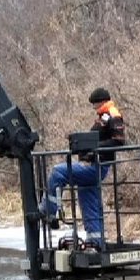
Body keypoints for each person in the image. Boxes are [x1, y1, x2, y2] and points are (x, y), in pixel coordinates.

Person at [41, 87, 126, 247]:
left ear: (100, 101)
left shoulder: (113, 115)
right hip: (93, 164)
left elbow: (118, 141)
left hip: (97, 166)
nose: (93, 107)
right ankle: (96, 241)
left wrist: (95, 148)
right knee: (89, 201)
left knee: (58, 172)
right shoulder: (104, 116)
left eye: (94, 104)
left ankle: (48, 210)